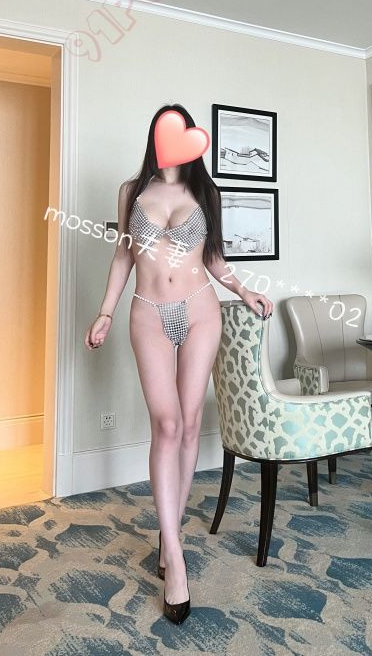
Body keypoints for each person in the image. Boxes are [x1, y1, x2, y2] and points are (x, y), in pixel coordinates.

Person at [83, 104, 273, 624]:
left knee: (189, 425)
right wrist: (105, 312)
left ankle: (171, 544)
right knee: (165, 425)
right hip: (148, 312)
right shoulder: (131, 191)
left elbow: (213, 258)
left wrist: (244, 290)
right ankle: (174, 551)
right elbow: (123, 255)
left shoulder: (205, 191)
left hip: (200, 310)